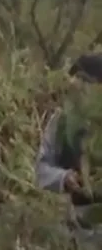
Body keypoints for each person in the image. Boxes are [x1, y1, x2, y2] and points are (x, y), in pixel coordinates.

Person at [35, 54, 102, 234]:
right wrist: (64, 178)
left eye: (87, 83)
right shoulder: (61, 121)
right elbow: (42, 168)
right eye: (76, 80)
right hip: (70, 229)